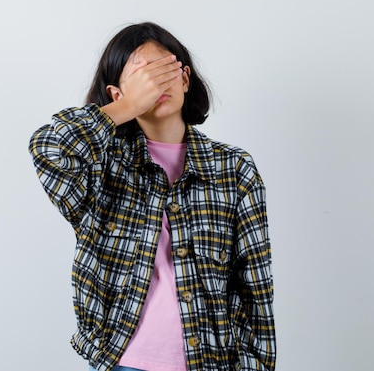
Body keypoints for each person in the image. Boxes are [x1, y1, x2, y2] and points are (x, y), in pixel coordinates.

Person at [28, 22, 275, 371]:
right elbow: (49, 147)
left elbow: (254, 287)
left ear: (185, 79)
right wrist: (127, 108)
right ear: (118, 95)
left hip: (211, 362)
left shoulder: (233, 168)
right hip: (122, 361)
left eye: (165, 71)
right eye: (143, 76)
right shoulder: (103, 165)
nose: (157, 83)